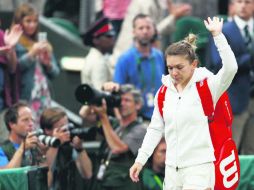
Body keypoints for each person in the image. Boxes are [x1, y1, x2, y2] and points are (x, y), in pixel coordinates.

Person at [129, 17, 238, 190]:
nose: (174, 73)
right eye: (170, 68)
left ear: (194, 64)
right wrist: (140, 160)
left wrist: (218, 35)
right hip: (171, 170)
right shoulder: (163, 93)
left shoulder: (208, 86)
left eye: (179, 67)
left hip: (200, 169)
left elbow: (231, 68)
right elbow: (155, 129)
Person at [208, 0, 253, 154]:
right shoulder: (223, 31)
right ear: (232, 5)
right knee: (229, 150)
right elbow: (217, 64)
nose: (243, 6)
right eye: (239, 1)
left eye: (248, 2)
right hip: (234, 99)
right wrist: (248, 59)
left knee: (251, 152)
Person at [84, 83, 146, 190]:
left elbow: (118, 148)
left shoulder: (141, 129)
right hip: (103, 181)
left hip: (124, 185)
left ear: (138, 105)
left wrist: (103, 117)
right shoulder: (114, 124)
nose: (122, 104)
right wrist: (101, 94)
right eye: (120, 100)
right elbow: (84, 114)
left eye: (127, 100)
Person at [12, 3, 60, 128]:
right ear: (19, 22)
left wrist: (47, 64)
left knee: (44, 129)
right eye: (28, 21)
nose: (32, 25)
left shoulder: (43, 42)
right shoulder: (13, 42)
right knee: (29, 129)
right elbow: (14, 69)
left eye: (35, 21)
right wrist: (32, 54)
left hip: (44, 95)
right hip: (25, 96)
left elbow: (55, 72)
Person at [113, 13, 165, 121]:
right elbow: (117, 91)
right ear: (134, 32)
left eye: (148, 27)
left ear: (154, 30)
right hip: (136, 119)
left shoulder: (159, 55)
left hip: (158, 116)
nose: (145, 31)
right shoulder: (124, 59)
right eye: (141, 28)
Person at [40, 107, 92, 189]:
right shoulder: (40, 145)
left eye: (67, 125)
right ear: (47, 130)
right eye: (61, 127)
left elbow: (87, 174)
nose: (66, 131)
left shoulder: (68, 145)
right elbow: (45, 183)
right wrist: (55, 144)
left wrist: (80, 149)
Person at [0, 101, 44, 169]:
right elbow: (7, 176)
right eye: (25, 120)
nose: (31, 124)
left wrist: (46, 152)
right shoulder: (2, 149)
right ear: (12, 124)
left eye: (32, 120)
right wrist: (22, 148)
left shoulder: (34, 147)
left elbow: (46, 178)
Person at [0, 24, 23, 143]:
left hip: (3, 105)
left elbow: (12, 68)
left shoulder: (2, 36)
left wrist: (10, 46)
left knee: (4, 148)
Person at [80, 16, 115, 90]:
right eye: (108, 36)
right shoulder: (99, 62)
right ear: (96, 40)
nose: (112, 39)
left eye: (113, 35)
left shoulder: (94, 56)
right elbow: (101, 93)